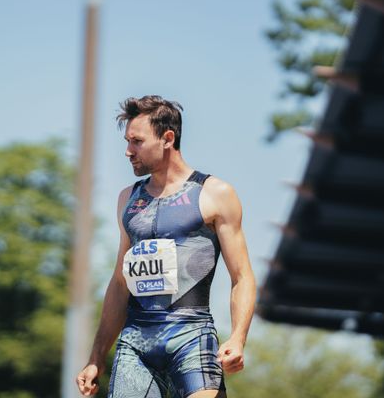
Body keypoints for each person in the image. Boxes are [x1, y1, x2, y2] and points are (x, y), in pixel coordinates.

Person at [76, 95, 256, 398]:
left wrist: (238, 338)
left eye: (136, 141)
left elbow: (243, 277)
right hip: (136, 343)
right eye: (127, 141)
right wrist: (95, 358)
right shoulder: (127, 199)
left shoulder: (214, 193)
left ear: (167, 138)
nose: (128, 151)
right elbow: (120, 283)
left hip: (191, 337)